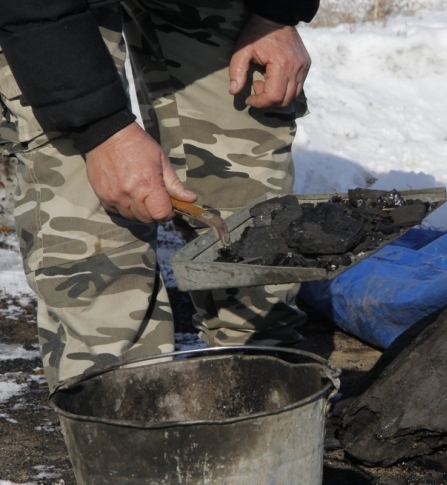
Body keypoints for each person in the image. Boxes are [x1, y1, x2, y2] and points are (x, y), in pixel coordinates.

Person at [0, 0, 319, 393]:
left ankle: (263, 393)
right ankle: (128, 418)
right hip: (37, 15)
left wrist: (277, 14)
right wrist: (99, 128)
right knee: (96, 241)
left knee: (248, 209)